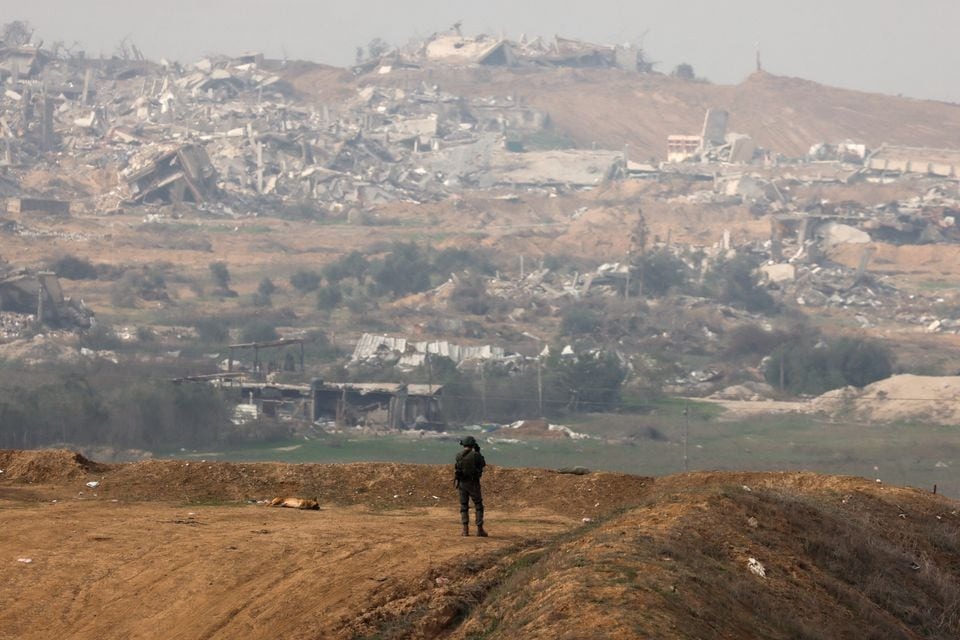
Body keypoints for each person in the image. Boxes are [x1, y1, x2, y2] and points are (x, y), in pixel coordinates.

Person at [454, 435, 487, 537]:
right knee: (478, 505)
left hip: (462, 483)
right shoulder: (475, 455)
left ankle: (465, 530)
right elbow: (483, 464)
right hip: (473, 483)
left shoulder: (459, 455)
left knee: (464, 506)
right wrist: (478, 452)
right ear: (473, 445)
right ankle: (479, 529)